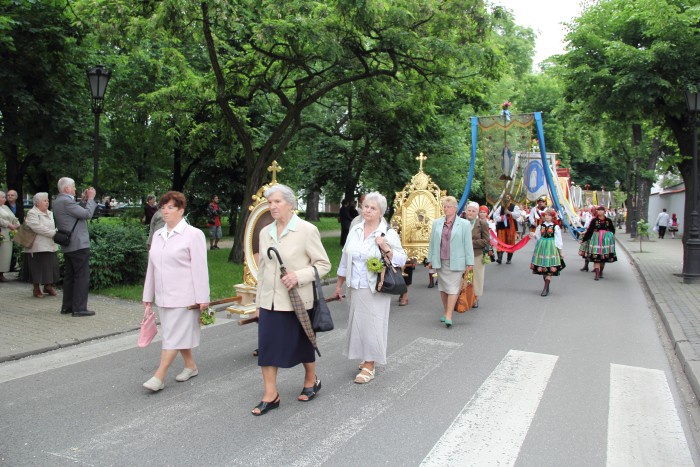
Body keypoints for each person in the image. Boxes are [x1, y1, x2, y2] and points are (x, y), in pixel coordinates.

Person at [251, 184, 331, 414]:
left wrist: (299, 276)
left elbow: (323, 264)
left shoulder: (306, 230)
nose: (272, 206)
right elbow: (263, 270)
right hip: (270, 301)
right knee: (266, 348)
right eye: (270, 202)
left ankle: (311, 379)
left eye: (277, 202)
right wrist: (258, 303)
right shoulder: (266, 232)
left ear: (290, 204)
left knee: (304, 344)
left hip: (297, 301)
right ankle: (270, 395)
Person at [335, 192, 406, 384]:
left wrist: (386, 248)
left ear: (381, 212)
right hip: (355, 285)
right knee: (358, 323)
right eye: (366, 206)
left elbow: (402, 259)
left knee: (373, 324)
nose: (367, 210)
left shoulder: (388, 233)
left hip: (376, 286)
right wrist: (339, 283)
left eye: (372, 208)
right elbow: (345, 256)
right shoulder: (356, 229)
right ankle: (365, 357)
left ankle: (370, 364)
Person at [142, 191, 210, 392]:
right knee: (175, 334)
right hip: (164, 297)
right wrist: (148, 296)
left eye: (170, 207)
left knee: (171, 337)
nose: (165, 211)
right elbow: (152, 267)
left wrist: (203, 299)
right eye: (163, 207)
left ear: (181, 210)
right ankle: (190, 365)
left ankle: (159, 376)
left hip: (185, 298)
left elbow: (200, 269)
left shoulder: (193, 235)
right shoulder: (158, 234)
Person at [426, 196, 474, 328]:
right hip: (440, 260)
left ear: (455, 208)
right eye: (444, 206)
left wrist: (470, 262)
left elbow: (468, 244)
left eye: (448, 206)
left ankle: (449, 315)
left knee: (453, 288)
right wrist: (430, 259)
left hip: (456, 261)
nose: (446, 209)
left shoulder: (464, 224)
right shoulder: (437, 223)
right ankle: (446, 310)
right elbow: (433, 242)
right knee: (443, 288)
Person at [52, 177, 97, 317]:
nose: (75, 189)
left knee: (70, 277)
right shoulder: (66, 201)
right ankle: (79, 308)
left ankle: (68, 306)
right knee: (81, 276)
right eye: (73, 187)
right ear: (67, 189)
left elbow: (76, 214)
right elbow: (87, 214)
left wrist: (83, 201)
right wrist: (91, 199)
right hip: (78, 244)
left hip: (69, 244)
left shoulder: (58, 201)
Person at [22, 193, 60, 298]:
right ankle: (36, 288)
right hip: (37, 246)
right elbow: (37, 227)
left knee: (51, 266)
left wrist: (56, 232)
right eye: (44, 201)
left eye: (47, 200)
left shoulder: (50, 213)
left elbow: (55, 226)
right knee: (37, 267)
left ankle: (48, 286)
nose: (47, 202)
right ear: (37, 202)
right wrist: (53, 233)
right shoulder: (32, 213)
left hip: (50, 244)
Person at [529, 208, 564, 296]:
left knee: (549, 267)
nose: (547, 216)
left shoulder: (555, 227)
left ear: (552, 217)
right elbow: (537, 236)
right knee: (544, 268)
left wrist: (560, 252)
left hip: (551, 247)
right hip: (542, 247)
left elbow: (558, 240)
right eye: (546, 215)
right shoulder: (540, 226)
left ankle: (545, 288)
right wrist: (533, 235)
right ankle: (546, 286)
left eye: (549, 215)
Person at [464, 202, 490, 309]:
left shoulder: (482, 224)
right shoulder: (461, 223)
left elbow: (486, 241)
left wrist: (472, 243)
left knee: (477, 277)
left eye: (473, 211)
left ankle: (475, 298)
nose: (470, 213)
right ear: (465, 212)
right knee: (464, 277)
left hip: (476, 255)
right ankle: (463, 297)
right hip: (463, 255)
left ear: (477, 213)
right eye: (469, 210)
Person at [581, 205, 617, 281]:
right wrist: (584, 239)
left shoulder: (608, 220)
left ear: (604, 211)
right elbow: (590, 231)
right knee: (596, 257)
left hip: (605, 241)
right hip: (596, 240)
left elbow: (612, 230)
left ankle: (601, 272)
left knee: (603, 258)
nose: (600, 212)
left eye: (602, 210)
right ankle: (597, 274)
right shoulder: (594, 221)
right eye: (599, 210)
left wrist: (609, 235)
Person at [493, 193, 520, 264]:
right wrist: (501, 218)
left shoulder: (515, 207)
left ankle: (509, 259)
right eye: (506, 198)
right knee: (501, 241)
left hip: (511, 226)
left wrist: (510, 213)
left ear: (511, 199)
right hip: (502, 226)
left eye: (508, 198)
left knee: (510, 241)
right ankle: (499, 258)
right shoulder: (501, 207)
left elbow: (517, 215)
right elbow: (495, 215)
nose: (507, 199)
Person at [0, 190, 21, 282]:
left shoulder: (5, 207)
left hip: (9, 234)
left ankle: (2, 273)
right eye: (3, 197)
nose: (5, 199)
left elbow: (13, 217)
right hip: (2, 232)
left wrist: (17, 224)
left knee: (6, 255)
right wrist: (8, 225)